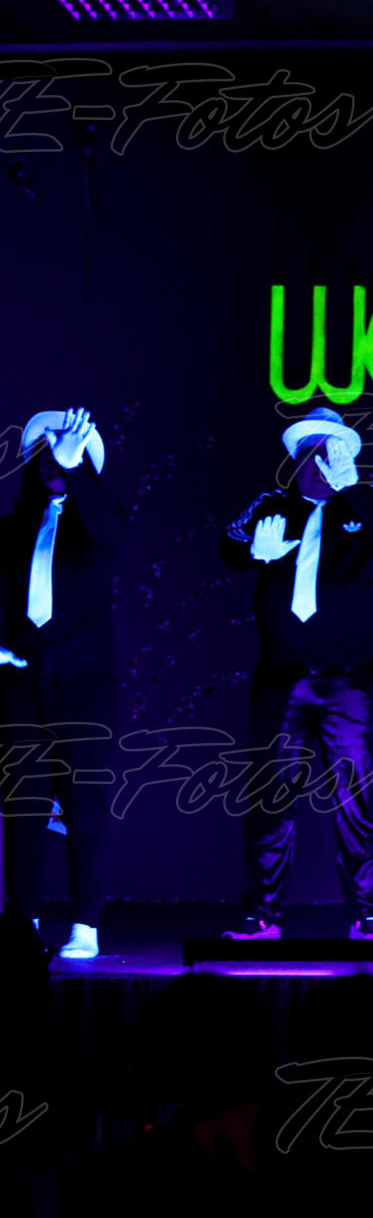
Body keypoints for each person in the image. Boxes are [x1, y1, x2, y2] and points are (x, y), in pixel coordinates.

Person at [219, 407, 373, 940]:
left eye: (331, 454)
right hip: (282, 680)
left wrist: (353, 488)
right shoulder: (271, 506)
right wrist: (251, 550)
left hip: (352, 682)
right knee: (270, 800)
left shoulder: (368, 506)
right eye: (311, 455)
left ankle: (369, 914)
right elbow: (229, 548)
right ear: (296, 462)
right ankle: (260, 913)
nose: (320, 464)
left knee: (359, 800)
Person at [0, 407, 119, 959]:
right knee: (22, 805)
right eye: (46, 453)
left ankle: (85, 924)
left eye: (67, 454)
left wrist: (76, 471)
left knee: (83, 805)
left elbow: (107, 532)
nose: (55, 461)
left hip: (83, 685)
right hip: (19, 685)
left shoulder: (95, 523)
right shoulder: (11, 528)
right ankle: (21, 920)